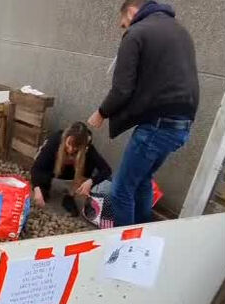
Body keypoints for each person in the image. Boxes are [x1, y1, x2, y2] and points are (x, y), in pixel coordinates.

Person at [87, 0, 199, 227]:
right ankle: (142, 233)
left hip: (158, 125)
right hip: (181, 124)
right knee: (142, 179)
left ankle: (126, 247)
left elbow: (122, 89)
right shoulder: (179, 30)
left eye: (123, 22)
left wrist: (101, 113)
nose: (123, 26)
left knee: (121, 189)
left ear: (131, 11)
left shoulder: (137, 33)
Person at [31, 122, 112, 216]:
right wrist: (37, 189)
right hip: (52, 169)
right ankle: (44, 187)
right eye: (69, 144)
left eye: (75, 148)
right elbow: (36, 168)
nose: (70, 149)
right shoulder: (55, 141)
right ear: (65, 138)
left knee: (89, 162)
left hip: (71, 173)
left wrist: (91, 181)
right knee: (41, 185)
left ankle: (70, 196)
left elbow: (106, 170)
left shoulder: (88, 149)